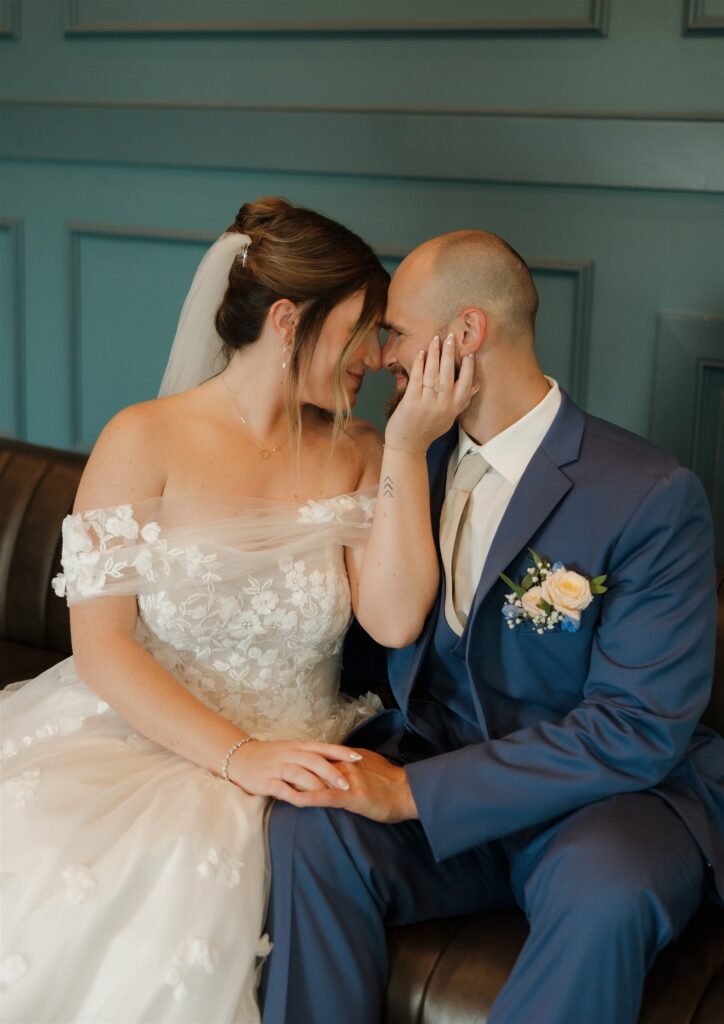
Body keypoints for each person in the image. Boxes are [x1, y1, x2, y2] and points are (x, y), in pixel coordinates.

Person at [0, 198, 473, 1024]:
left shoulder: (362, 450)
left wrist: (403, 446)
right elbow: (105, 649)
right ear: (289, 321)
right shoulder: (140, 441)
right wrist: (238, 755)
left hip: (298, 752)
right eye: (363, 328)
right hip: (147, 735)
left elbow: (395, 622)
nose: (377, 355)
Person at [260, 230, 724, 1024]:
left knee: (608, 891)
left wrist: (411, 793)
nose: (379, 357)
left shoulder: (650, 494)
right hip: (444, 777)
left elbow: (636, 731)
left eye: (396, 332)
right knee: (313, 829)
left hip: (602, 805)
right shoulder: (408, 464)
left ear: (466, 334)